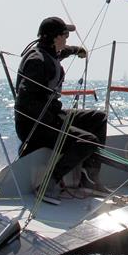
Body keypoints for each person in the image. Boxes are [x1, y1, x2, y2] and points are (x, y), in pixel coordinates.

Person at [14, 16, 107, 205]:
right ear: (55, 37)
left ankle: (89, 178)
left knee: (99, 118)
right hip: (35, 126)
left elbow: (61, 54)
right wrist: (52, 122)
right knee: (88, 141)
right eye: (65, 35)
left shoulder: (49, 52)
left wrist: (76, 51)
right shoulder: (37, 61)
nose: (67, 39)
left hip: (52, 116)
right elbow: (24, 101)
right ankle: (48, 184)